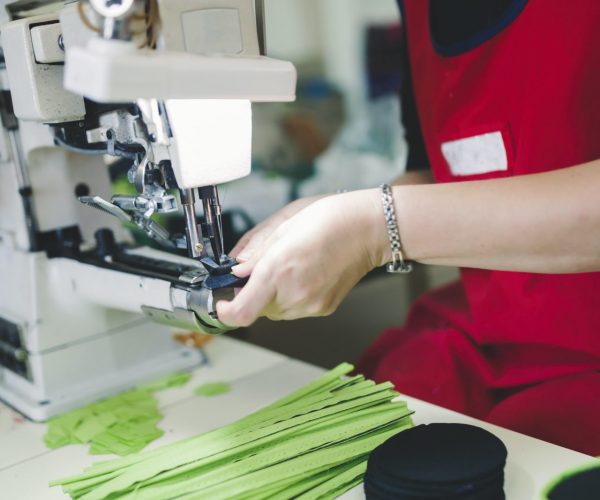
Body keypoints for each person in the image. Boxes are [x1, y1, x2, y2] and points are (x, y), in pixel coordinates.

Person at [217, 0, 600, 456]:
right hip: (491, 326)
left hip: (584, 350)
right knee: (353, 433)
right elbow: (438, 170)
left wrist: (375, 227)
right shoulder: (419, 10)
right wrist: (335, 212)